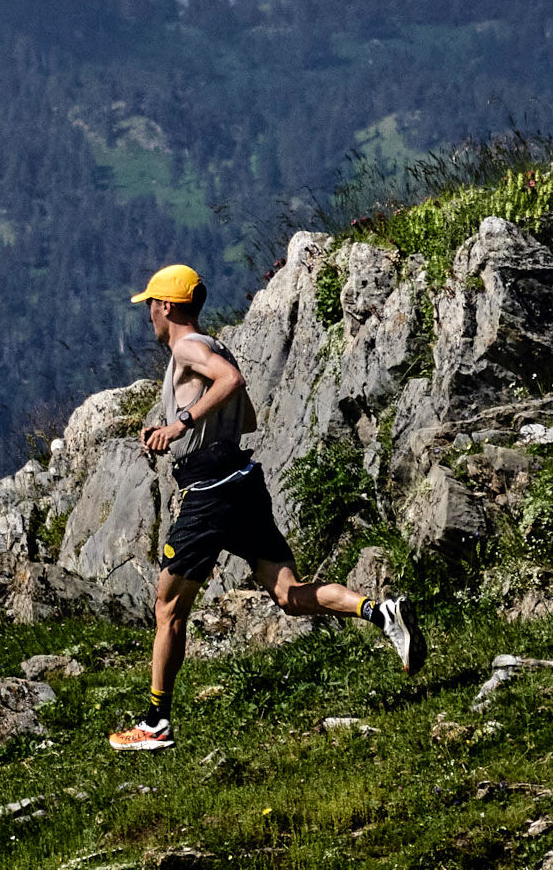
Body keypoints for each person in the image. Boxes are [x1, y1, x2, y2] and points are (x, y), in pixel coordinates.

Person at [108, 264, 426, 753]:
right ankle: (381, 613)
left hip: (210, 491)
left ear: (167, 307)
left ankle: (155, 723)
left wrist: (179, 425)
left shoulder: (189, 348)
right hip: (242, 483)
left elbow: (231, 382)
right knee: (290, 594)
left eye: (151, 304)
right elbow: (247, 414)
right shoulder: (214, 346)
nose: (148, 313)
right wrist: (197, 421)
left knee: (168, 608)